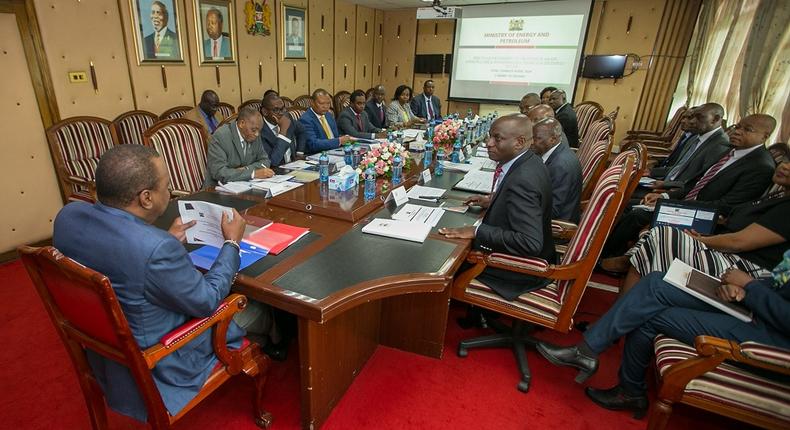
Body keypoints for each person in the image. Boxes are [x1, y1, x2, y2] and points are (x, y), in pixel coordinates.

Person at [52, 144, 248, 421]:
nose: (170, 193)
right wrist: (231, 243)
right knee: (258, 313)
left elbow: (118, 251)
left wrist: (165, 239)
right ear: (146, 198)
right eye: (166, 186)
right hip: (160, 360)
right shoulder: (155, 249)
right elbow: (206, 300)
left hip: (103, 349)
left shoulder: (67, 217)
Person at [536, 251, 790, 418]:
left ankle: (629, 390)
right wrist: (741, 289)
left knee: (649, 315)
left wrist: (751, 286)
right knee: (657, 282)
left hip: (771, 336)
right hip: (757, 308)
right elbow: (781, 284)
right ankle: (587, 351)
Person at [614, 158, 789, 294]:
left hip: (745, 270)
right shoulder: (778, 194)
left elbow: (739, 241)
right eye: (787, 161)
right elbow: (735, 217)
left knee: (658, 236)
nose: (784, 167)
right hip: (728, 250)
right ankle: (622, 311)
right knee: (658, 231)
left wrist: (700, 239)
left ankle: (621, 308)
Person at [439, 115, 555, 301]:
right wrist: (495, 200)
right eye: (489, 137)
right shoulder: (530, 161)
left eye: (497, 139)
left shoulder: (522, 180)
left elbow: (530, 243)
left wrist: (477, 231)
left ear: (519, 142)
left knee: (442, 254)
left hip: (518, 271)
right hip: (539, 254)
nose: (489, 143)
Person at [599, 104, 737, 260]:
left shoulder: (719, 145)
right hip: (670, 188)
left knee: (632, 209)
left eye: (699, 117)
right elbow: (678, 167)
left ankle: (605, 254)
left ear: (716, 119)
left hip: (680, 195)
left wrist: (666, 191)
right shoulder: (696, 138)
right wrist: (653, 173)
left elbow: (696, 182)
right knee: (622, 198)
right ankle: (606, 247)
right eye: (692, 116)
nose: (692, 121)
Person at [205, 106, 274, 187]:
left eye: (259, 131)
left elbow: (265, 161)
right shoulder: (221, 136)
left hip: (245, 187)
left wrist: (246, 169)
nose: (257, 134)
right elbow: (219, 172)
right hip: (218, 189)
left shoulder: (254, 134)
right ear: (242, 123)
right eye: (254, 130)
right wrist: (253, 174)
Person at [532, 118, 583, 223]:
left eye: (536, 138)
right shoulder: (558, 151)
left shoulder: (560, 166)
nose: (531, 142)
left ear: (553, 139)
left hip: (556, 227)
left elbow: (553, 210)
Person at [298, 88, 352, 154]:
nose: (326, 107)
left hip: (336, 151)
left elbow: (335, 136)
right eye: (321, 103)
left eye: (328, 103)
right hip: (319, 155)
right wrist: (339, 141)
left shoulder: (328, 115)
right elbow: (313, 144)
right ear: (312, 103)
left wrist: (345, 139)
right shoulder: (305, 119)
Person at [259, 93, 301, 167]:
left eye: (283, 109)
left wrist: (300, 152)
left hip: (294, 165)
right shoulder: (259, 130)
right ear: (265, 112)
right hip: (276, 172)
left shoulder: (287, 119)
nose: (281, 113)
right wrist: (283, 131)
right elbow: (273, 162)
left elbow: (302, 131)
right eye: (276, 110)